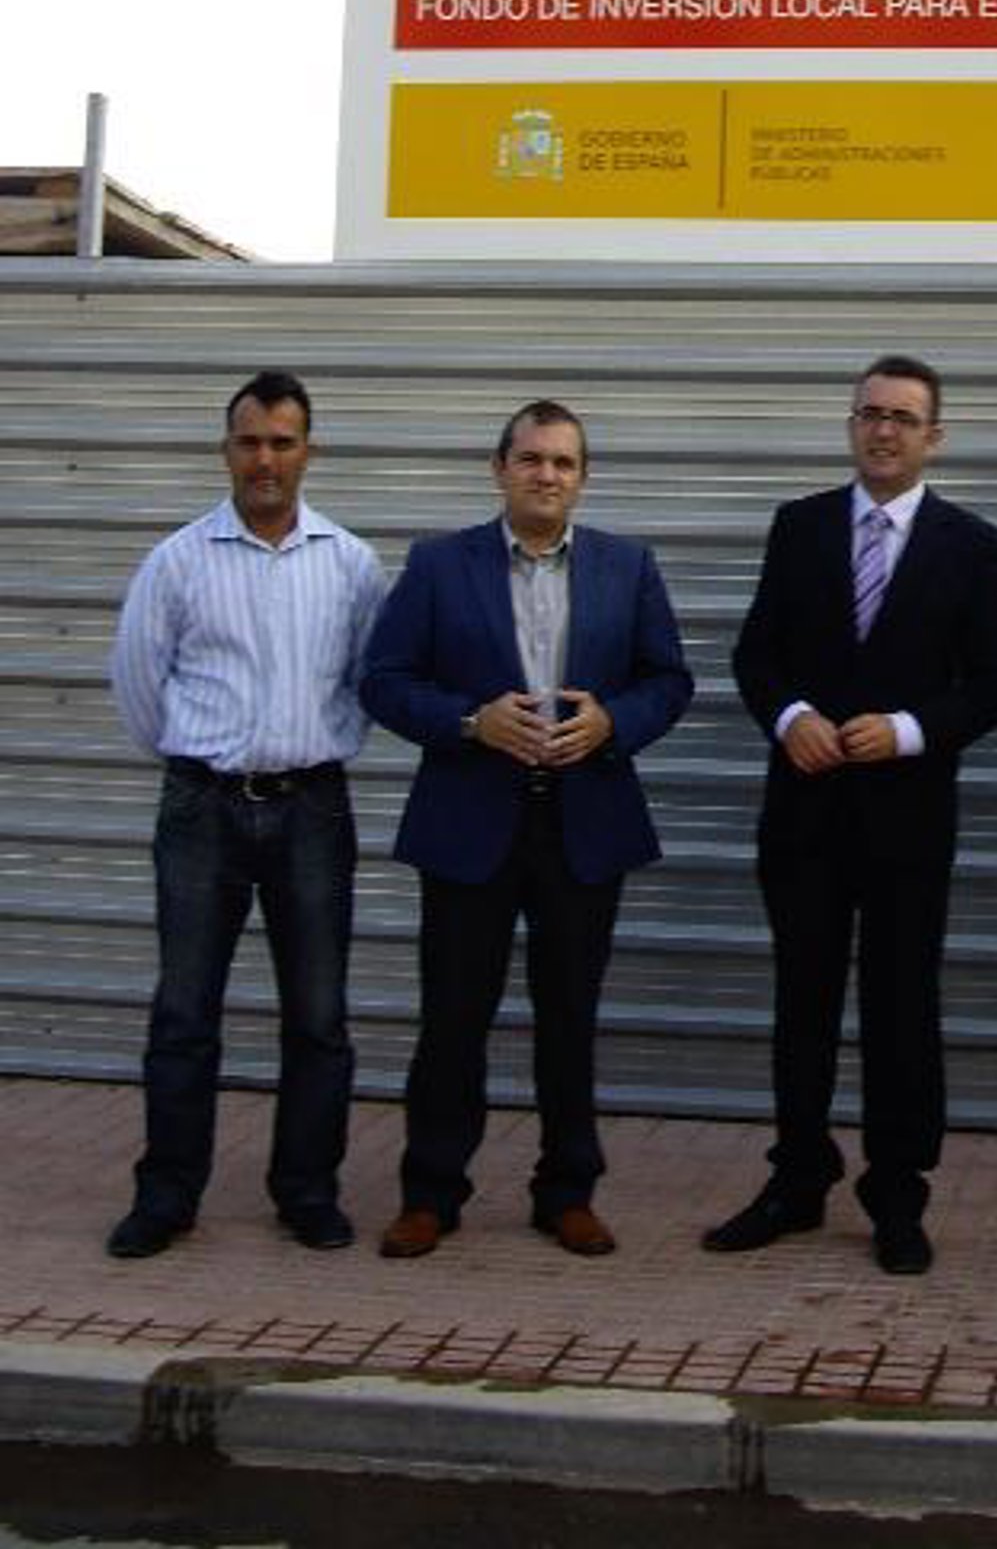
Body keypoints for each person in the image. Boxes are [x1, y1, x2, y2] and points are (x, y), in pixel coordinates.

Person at [703, 354, 997, 1274]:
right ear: (851, 424)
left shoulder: (971, 544)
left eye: (903, 418)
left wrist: (911, 731)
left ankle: (898, 1192)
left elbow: (995, 684)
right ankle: (797, 1178)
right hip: (804, 813)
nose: (884, 431)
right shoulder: (799, 526)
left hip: (907, 820)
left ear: (934, 437)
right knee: (801, 1000)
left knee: (901, 1007)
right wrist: (790, 717)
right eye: (870, 414)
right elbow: (756, 655)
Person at [362, 398, 691, 1260]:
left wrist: (613, 723)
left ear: (583, 477)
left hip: (584, 822)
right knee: (453, 1018)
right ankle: (430, 1193)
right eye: (532, 459)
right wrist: (471, 722)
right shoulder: (440, 565)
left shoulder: (627, 566)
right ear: (499, 468)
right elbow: (384, 679)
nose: (547, 475)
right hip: (469, 821)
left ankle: (568, 1191)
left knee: (570, 1017)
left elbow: (669, 680)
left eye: (564, 462)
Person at [106, 371, 385, 1259]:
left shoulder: (350, 564)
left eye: (282, 442)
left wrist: (309, 747)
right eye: (250, 442)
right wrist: (200, 760)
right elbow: (139, 685)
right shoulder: (178, 560)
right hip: (203, 808)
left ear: (310, 451)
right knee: (184, 1014)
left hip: (311, 809)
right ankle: (167, 1197)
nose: (265, 459)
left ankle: (306, 1191)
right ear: (225, 449)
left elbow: (368, 682)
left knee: (318, 1016)